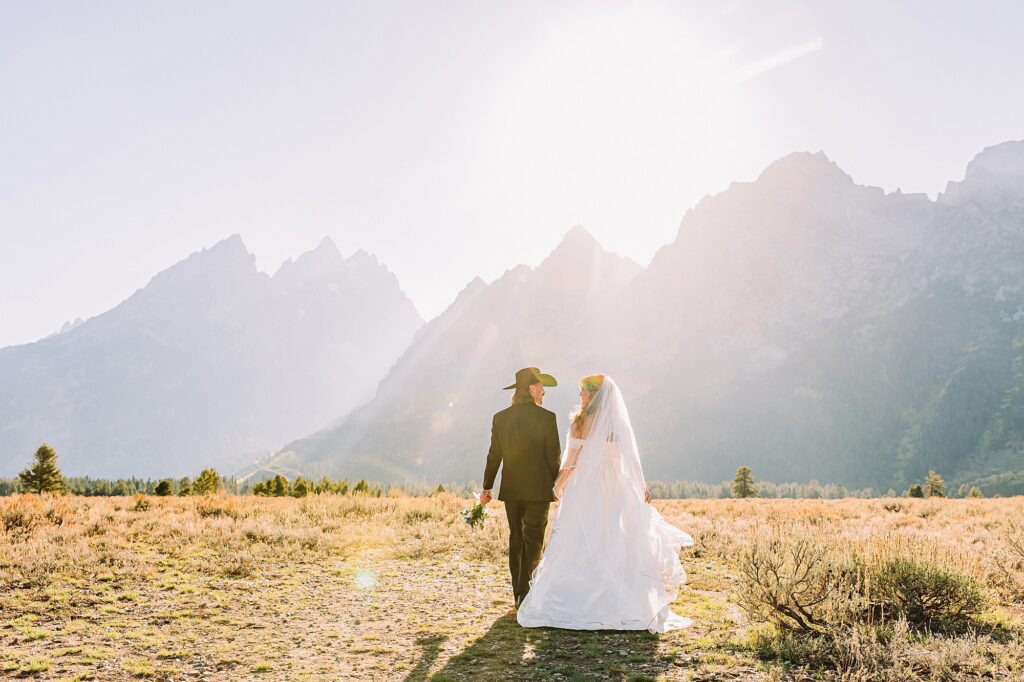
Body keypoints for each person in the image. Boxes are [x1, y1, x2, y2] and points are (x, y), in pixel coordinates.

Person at [516, 374, 694, 633]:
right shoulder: (615, 424)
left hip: (586, 489)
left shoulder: (579, 422)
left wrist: (558, 484)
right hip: (616, 487)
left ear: (593, 395)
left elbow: (572, 462)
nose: (580, 396)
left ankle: (579, 597)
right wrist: (640, 486)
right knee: (614, 538)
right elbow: (630, 460)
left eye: (583, 392)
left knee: (581, 538)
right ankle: (618, 598)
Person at [481, 367, 561, 608]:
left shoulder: (501, 418)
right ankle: (525, 595)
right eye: (542, 387)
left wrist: (487, 486)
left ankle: (519, 592)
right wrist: (559, 486)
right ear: (532, 389)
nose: (544, 392)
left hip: (512, 490)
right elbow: (553, 457)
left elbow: (494, 455)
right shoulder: (547, 418)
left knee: (516, 539)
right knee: (534, 540)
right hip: (538, 490)